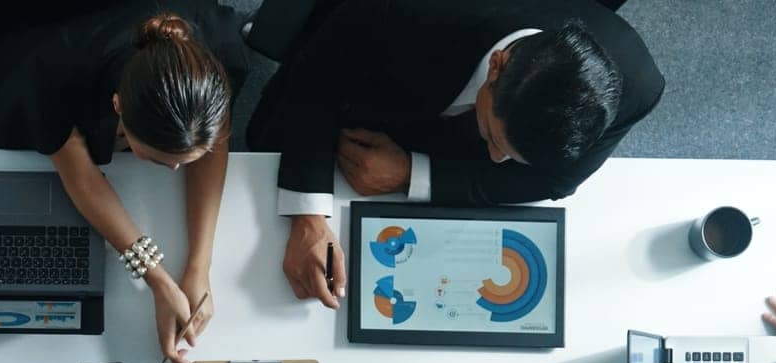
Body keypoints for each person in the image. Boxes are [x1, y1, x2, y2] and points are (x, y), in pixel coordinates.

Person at [248, 0, 663, 309]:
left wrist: (413, 174)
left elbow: (554, 181)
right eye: (495, 141)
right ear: (498, 65)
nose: (497, 162)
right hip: (371, 84)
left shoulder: (637, 85)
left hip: (430, 138)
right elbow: (318, 74)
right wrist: (307, 216)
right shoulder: (411, 11)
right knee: (261, 153)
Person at [0, 0, 248, 363]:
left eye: (185, 158)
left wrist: (199, 266)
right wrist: (157, 279)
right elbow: (79, 173)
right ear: (117, 106)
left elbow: (215, 143)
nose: (178, 170)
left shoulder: (221, 58)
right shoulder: (59, 74)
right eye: (160, 160)